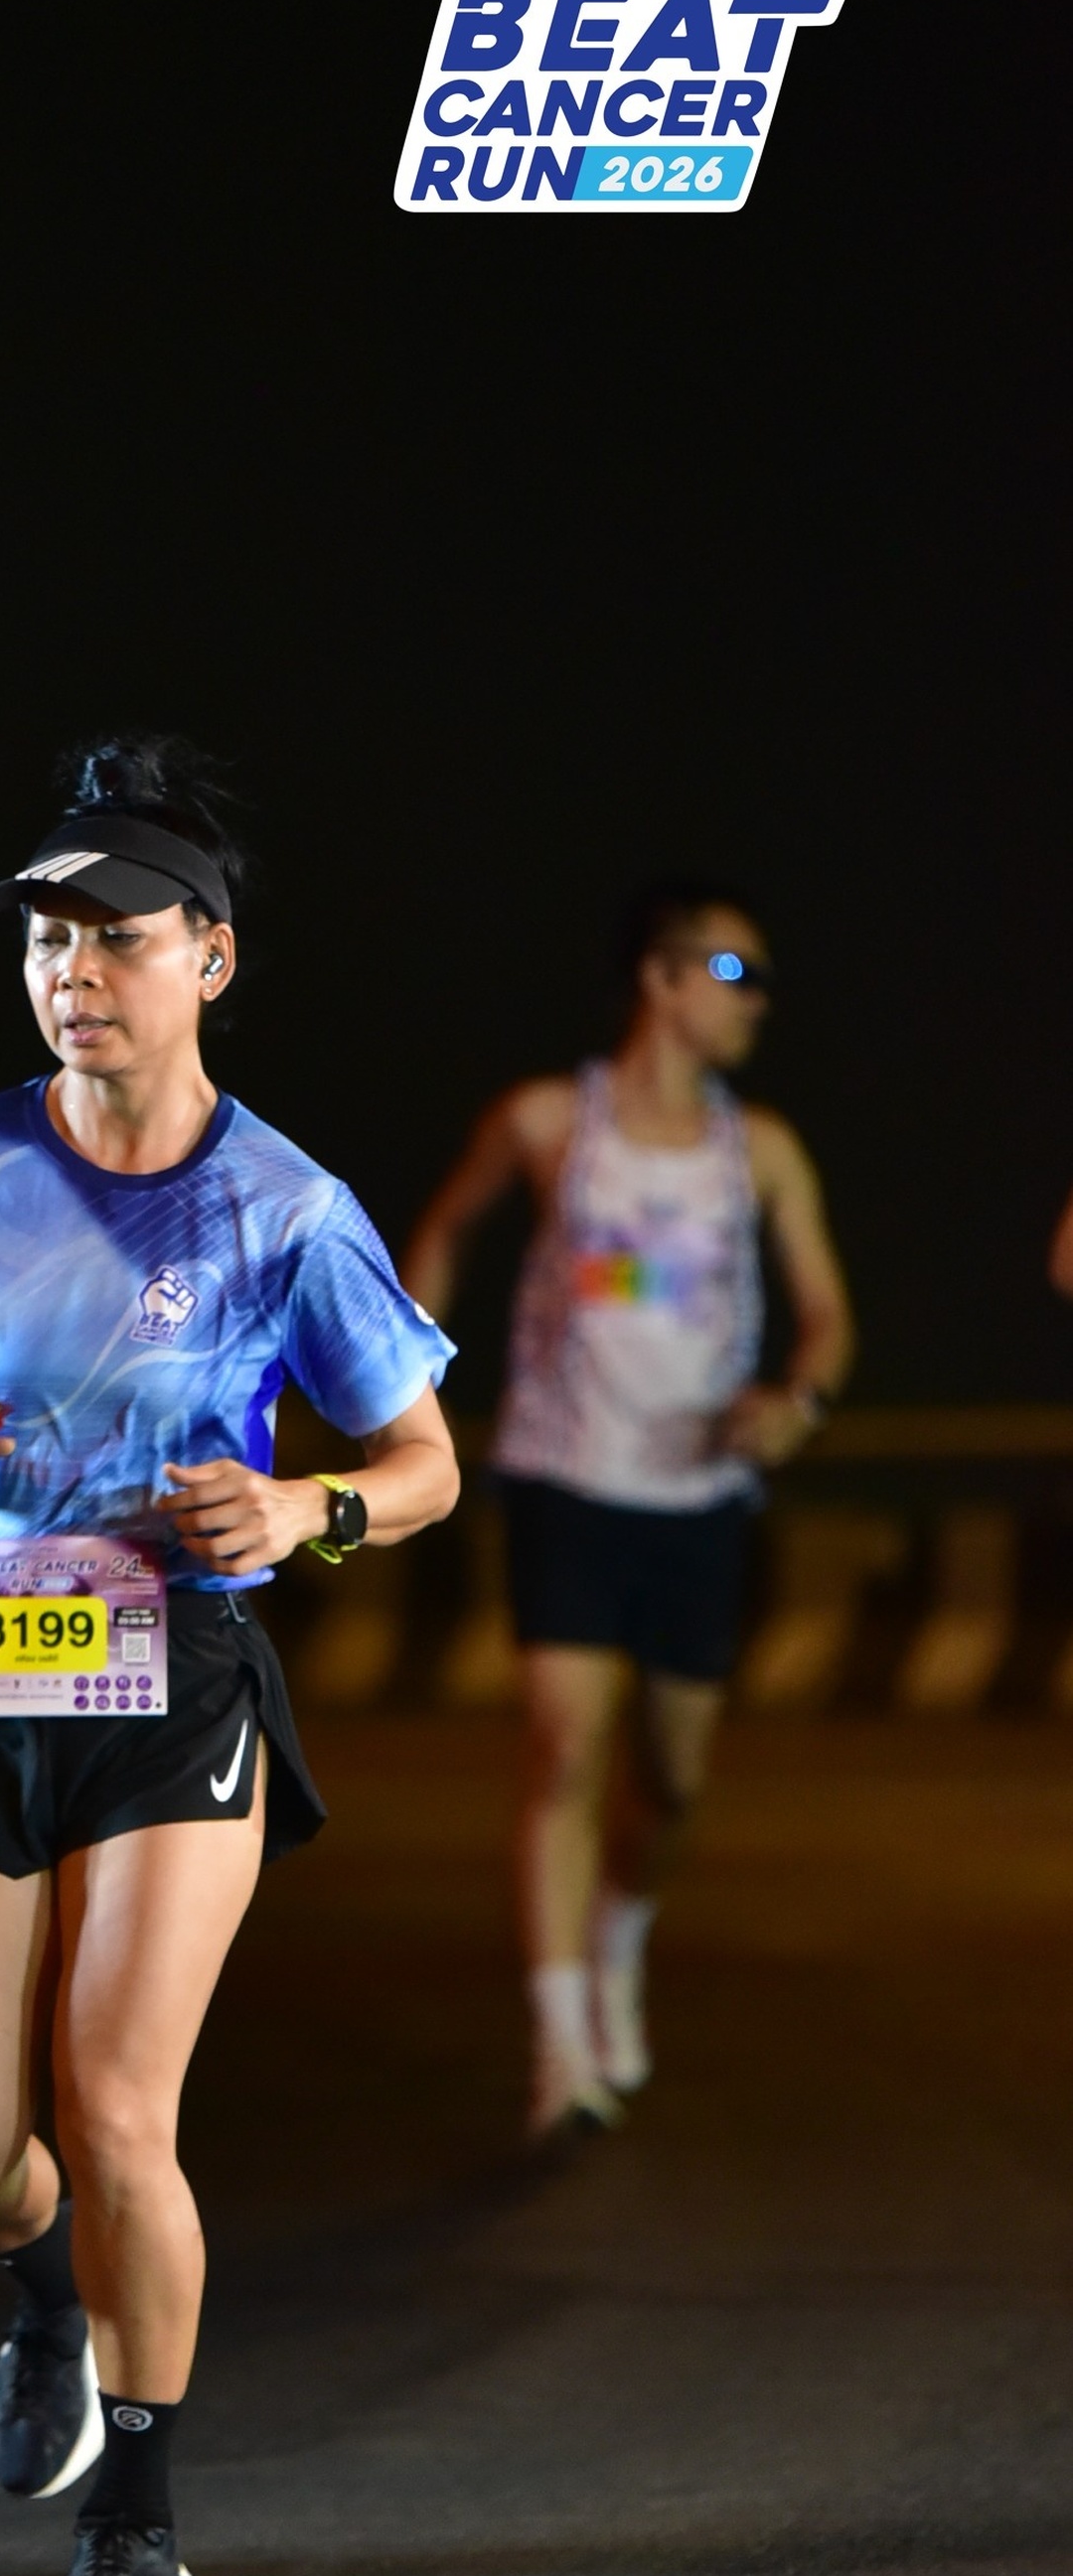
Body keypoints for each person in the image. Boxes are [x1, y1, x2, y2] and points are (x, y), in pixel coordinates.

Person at [0, 740, 459, 2576]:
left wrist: (306, 1507)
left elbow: (424, 1464)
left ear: (211, 959)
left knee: (111, 2108)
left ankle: (138, 2528)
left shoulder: (284, 1207)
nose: (71, 972)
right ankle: (43, 2303)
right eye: (45, 940)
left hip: (177, 1684)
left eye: (115, 937)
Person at [402, 883, 850, 2139]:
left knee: (673, 1778)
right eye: (734, 972)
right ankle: (559, 2049)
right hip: (564, 1481)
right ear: (658, 978)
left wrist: (797, 1401)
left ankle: (616, 1940)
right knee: (562, 1747)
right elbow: (438, 1237)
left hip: (696, 1499)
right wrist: (400, 1391)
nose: (757, 1000)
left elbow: (825, 1314)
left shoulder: (759, 1151)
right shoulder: (547, 1120)